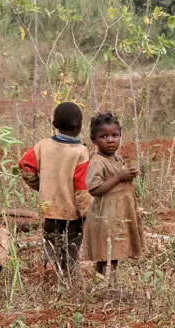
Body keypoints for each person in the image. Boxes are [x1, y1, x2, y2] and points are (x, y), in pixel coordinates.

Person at [18, 102, 92, 278]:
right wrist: (87, 215)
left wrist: (40, 185)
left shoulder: (43, 145)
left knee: (50, 247)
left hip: (49, 210)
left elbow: (24, 166)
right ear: (81, 125)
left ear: (54, 124)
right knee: (71, 250)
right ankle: (69, 281)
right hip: (72, 215)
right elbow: (82, 187)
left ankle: (49, 275)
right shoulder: (81, 152)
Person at [83, 112, 143, 280]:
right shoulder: (97, 161)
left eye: (115, 135)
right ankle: (106, 286)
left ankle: (105, 284)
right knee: (107, 254)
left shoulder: (116, 159)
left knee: (112, 254)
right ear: (94, 140)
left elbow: (120, 179)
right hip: (105, 217)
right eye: (104, 136)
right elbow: (94, 189)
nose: (110, 140)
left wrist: (129, 174)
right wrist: (119, 177)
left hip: (118, 215)